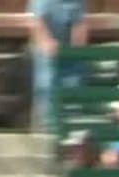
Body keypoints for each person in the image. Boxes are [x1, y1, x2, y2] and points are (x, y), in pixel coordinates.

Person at [28, 0, 87, 132]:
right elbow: (36, 21)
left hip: (69, 54)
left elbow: (80, 24)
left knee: (73, 85)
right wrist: (46, 42)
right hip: (47, 52)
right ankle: (47, 127)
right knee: (46, 85)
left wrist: (75, 49)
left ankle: (72, 126)